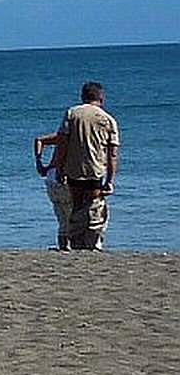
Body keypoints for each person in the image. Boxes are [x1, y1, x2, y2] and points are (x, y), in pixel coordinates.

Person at [54, 81, 120, 251]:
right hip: (95, 169)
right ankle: (93, 243)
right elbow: (112, 154)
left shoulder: (72, 113)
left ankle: (76, 242)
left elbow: (62, 144)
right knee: (95, 206)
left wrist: (59, 168)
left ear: (83, 96)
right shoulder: (108, 119)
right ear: (101, 98)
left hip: (74, 170)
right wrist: (111, 180)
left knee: (77, 206)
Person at [35, 124, 75, 250]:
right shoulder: (75, 138)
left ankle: (63, 245)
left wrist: (39, 162)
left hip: (51, 176)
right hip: (63, 176)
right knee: (71, 213)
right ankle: (70, 245)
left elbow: (39, 140)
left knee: (61, 214)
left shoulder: (61, 137)